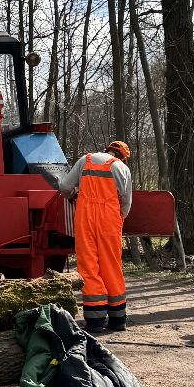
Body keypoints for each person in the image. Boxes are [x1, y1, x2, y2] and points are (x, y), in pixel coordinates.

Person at [57, 140, 133, 334]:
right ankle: (118, 319)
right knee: (112, 265)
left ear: (107, 149)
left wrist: (74, 193)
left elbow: (65, 188)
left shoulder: (86, 160)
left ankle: (95, 321)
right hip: (110, 220)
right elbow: (126, 204)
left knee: (89, 266)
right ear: (122, 156)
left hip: (86, 218)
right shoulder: (122, 169)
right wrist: (116, 219)